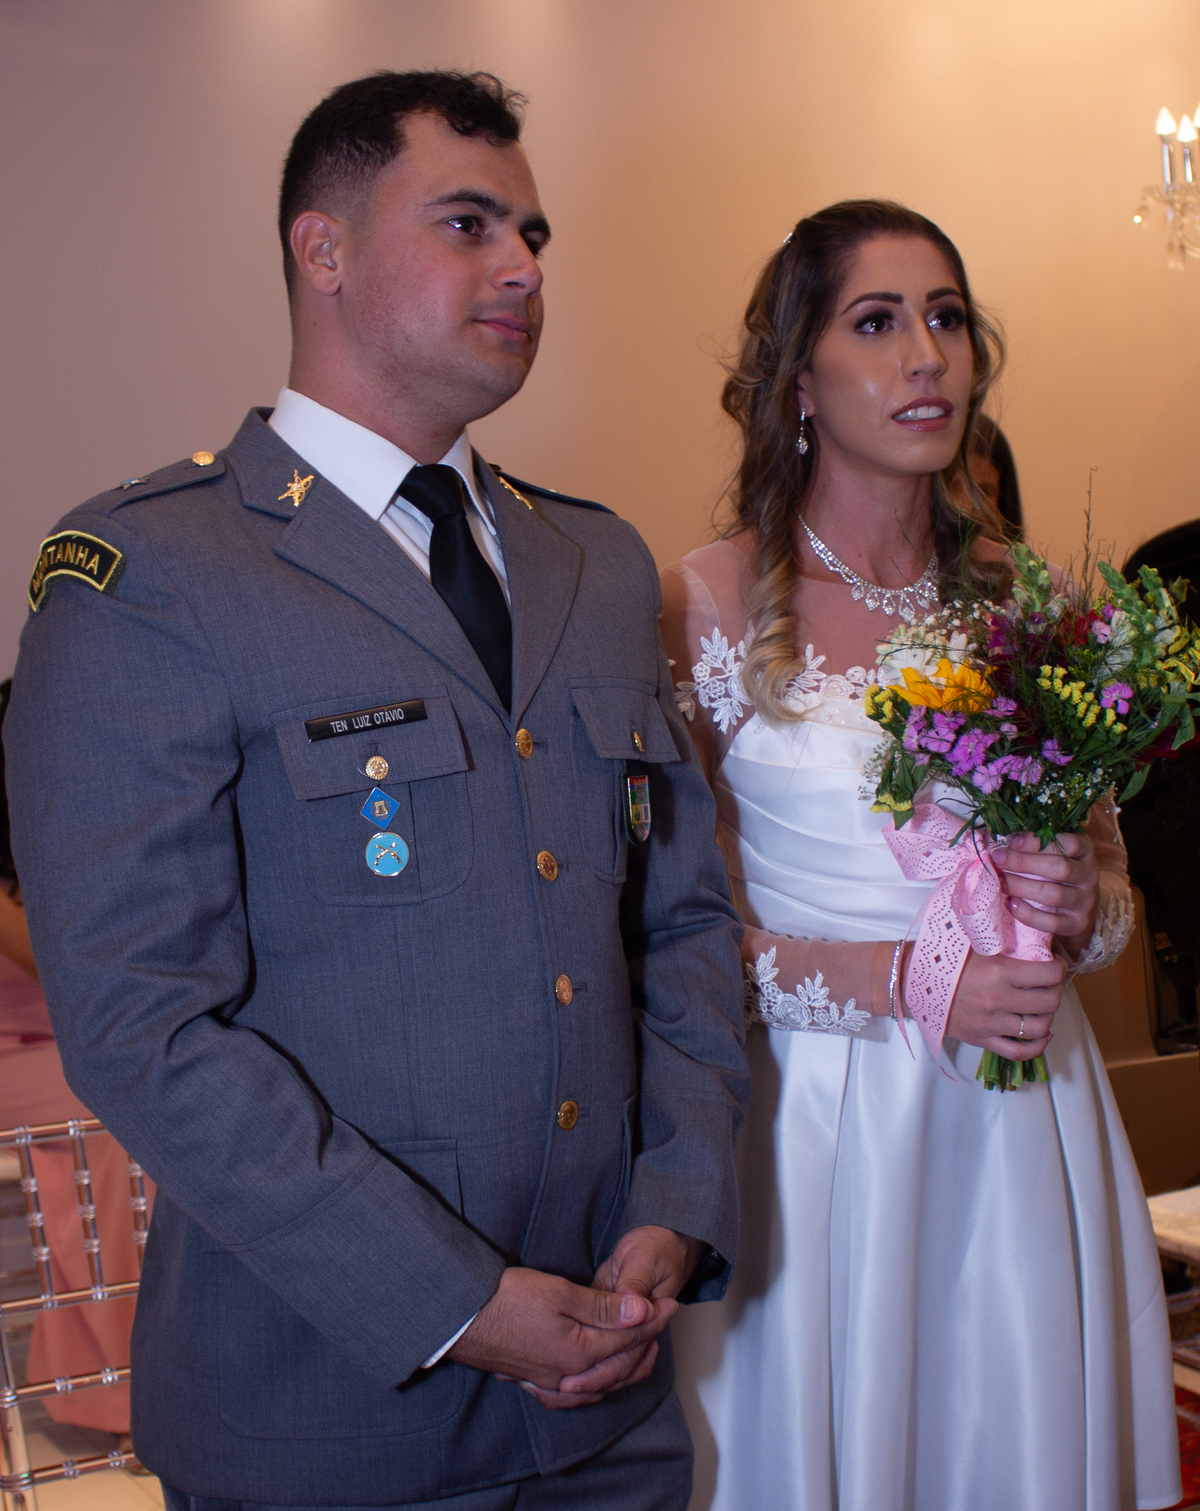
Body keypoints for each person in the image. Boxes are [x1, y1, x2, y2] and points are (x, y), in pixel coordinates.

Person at [4, 71, 748, 1510]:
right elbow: (143, 1021)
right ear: (323, 249)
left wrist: (677, 1205)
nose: (523, 266)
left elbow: (684, 929)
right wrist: (457, 1302)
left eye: (533, 233)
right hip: (328, 1420)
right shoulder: (154, 573)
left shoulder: (594, 564)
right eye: (469, 224)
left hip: (611, 1403)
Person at [661, 200, 1180, 1511]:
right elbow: (672, 937)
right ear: (797, 376)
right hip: (824, 1127)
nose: (927, 355)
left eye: (946, 317)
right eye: (878, 322)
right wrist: (906, 979)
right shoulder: (704, 603)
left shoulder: (1033, 599)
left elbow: (1113, 898)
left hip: (1027, 1113)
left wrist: (1082, 905)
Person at [0, 678, 150, 1443]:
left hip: (89, 1035)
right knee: (122, 1109)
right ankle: (131, 1386)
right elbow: (58, 965)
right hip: (21, 1049)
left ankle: (161, 1368)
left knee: (161, 1084)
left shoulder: (84, 820)